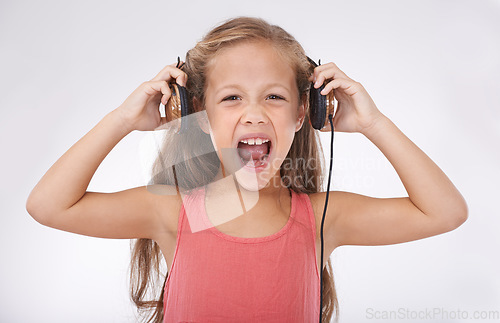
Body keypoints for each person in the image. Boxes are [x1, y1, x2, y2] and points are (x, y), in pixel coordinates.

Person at [26, 16, 468, 323]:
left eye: (274, 97)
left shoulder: (320, 219)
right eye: (232, 97)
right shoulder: (172, 211)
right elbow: (49, 205)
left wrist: (374, 123)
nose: (254, 115)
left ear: (303, 113)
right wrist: (124, 118)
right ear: (198, 113)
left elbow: (445, 212)